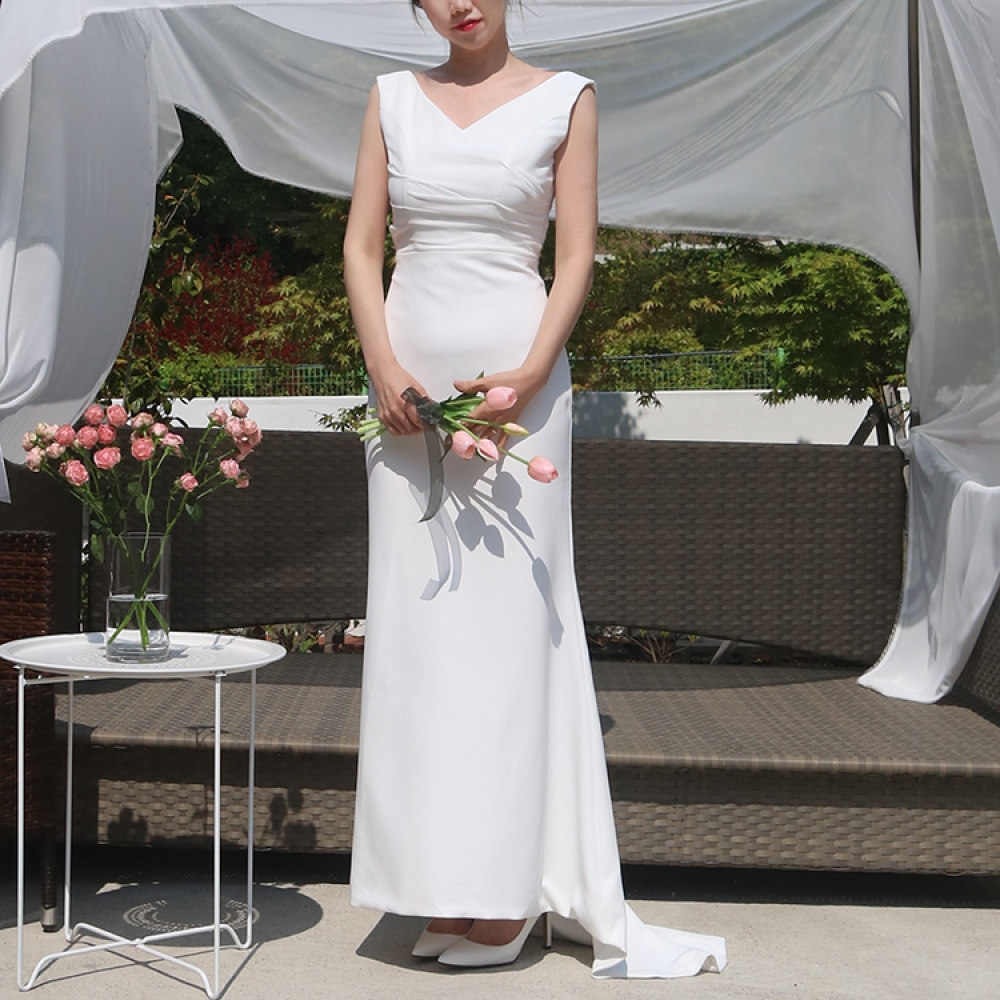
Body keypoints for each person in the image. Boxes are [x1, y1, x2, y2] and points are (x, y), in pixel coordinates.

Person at [343, 0, 727, 978]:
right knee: (421, 638)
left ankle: (508, 891)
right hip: (406, 396)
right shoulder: (389, 97)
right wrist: (383, 370)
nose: (461, 2)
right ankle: (442, 881)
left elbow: (575, 255)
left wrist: (528, 371)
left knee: (508, 637)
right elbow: (361, 247)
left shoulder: (567, 99)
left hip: (522, 384)